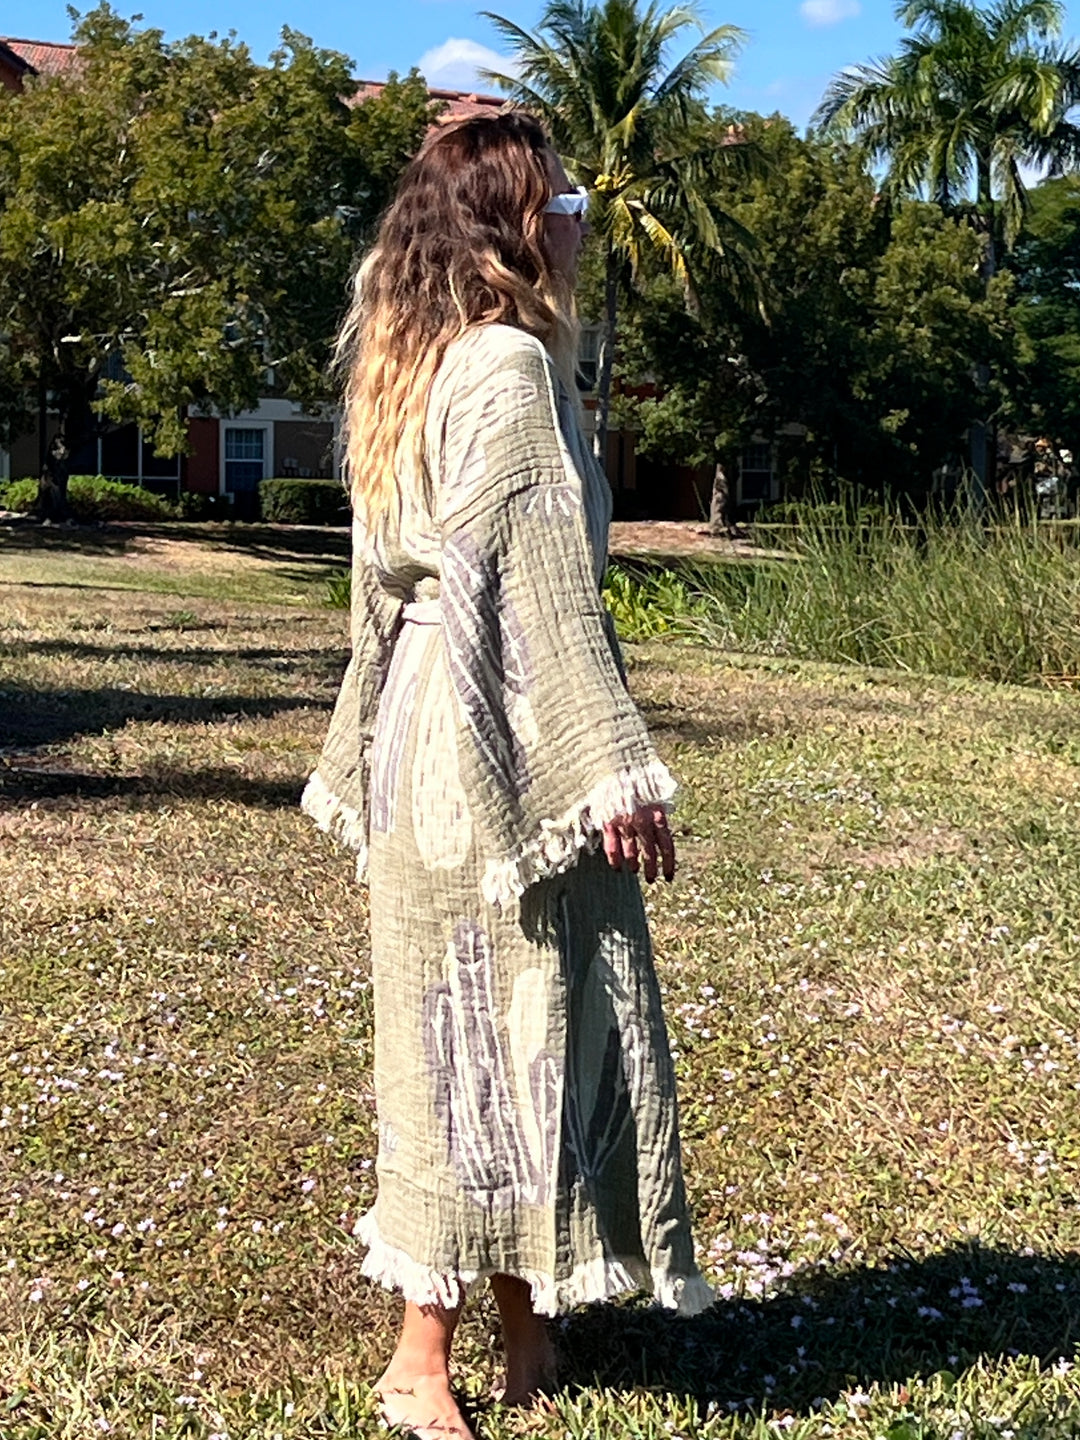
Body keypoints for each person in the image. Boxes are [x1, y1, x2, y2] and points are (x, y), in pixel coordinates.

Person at [302, 109, 712, 1440]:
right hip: (512, 745)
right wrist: (613, 769)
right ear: (520, 220)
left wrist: (367, 737)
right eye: (561, 196)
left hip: (428, 728)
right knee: (516, 1034)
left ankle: (527, 1321)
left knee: (451, 1033)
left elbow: (381, 591)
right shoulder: (508, 371)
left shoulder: (403, 363)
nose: (580, 217)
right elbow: (540, 592)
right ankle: (424, 1359)